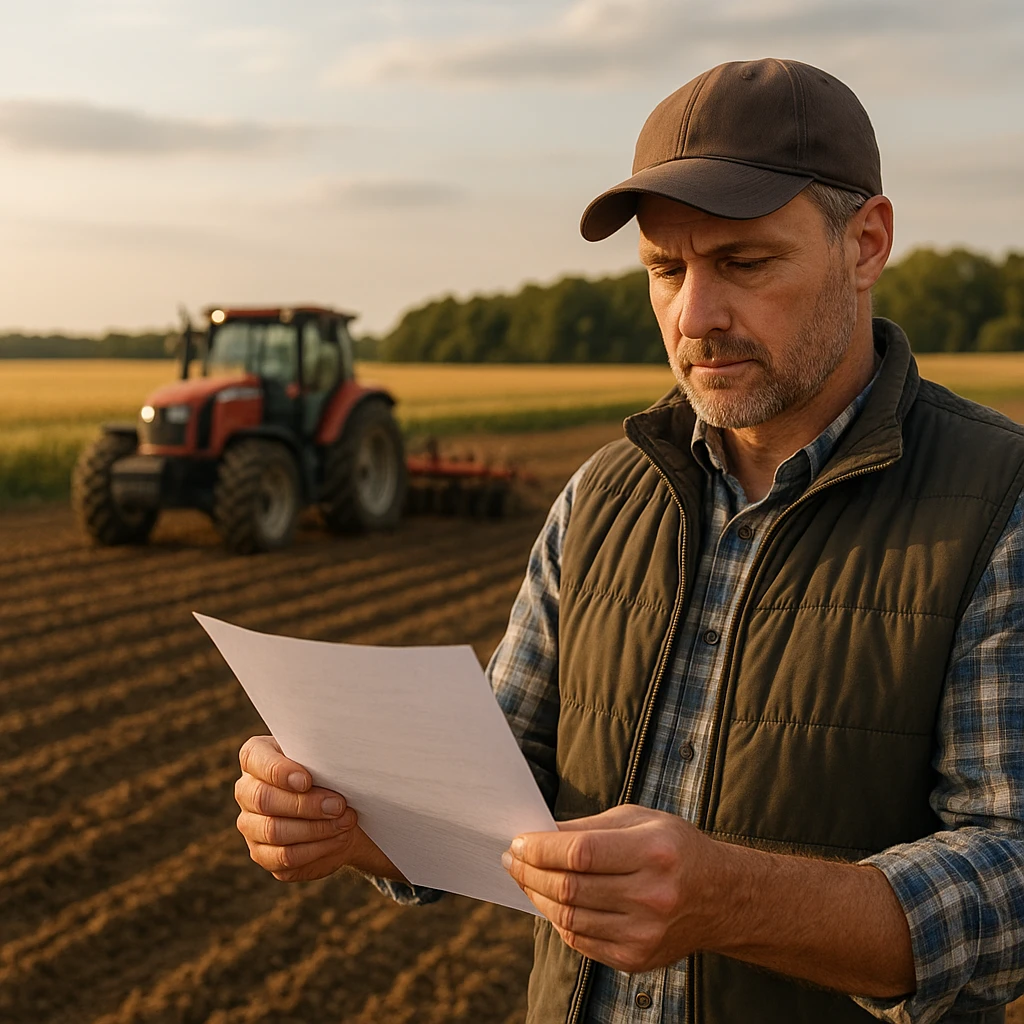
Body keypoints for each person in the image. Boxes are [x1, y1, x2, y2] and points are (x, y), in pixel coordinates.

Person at [232, 58, 1024, 1022]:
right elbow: (500, 791)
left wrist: (732, 900)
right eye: (665, 269)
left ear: (866, 243)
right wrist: (351, 821)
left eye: (744, 262)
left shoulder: (999, 501)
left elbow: (1011, 871)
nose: (695, 316)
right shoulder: (603, 495)